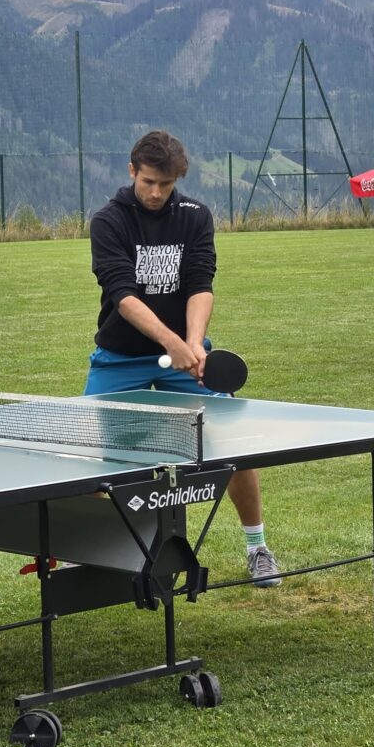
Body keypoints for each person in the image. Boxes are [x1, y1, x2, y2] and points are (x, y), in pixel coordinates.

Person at [85, 129, 281, 588]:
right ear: (132, 171)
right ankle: (91, 554)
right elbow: (122, 295)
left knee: (234, 445)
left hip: (188, 356)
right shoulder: (109, 221)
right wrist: (171, 341)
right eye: (149, 182)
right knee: (89, 458)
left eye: (166, 184)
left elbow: (200, 282)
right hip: (120, 357)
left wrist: (192, 343)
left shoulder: (195, 216)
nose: (156, 192)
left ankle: (257, 546)